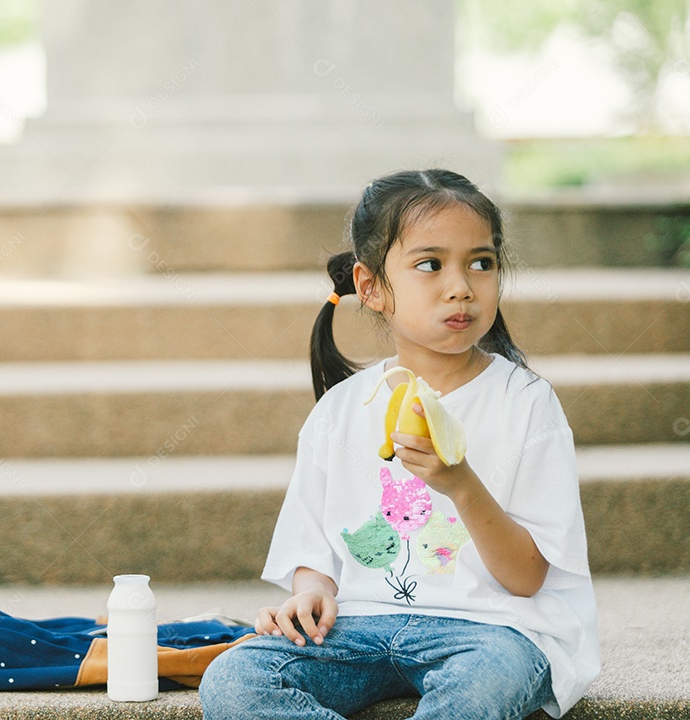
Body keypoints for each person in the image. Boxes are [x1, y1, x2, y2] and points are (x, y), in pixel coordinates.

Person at [199, 169, 599, 719]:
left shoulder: (526, 402)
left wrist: (460, 484)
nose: (461, 285)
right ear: (371, 288)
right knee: (236, 678)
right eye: (430, 264)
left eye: (480, 262)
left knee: (485, 685)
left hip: (490, 631)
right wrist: (312, 594)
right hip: (359, 626)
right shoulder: (340, 411)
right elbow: (313, 550)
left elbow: (527, 578)